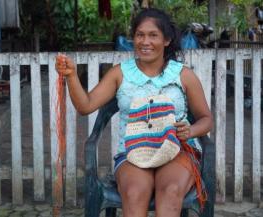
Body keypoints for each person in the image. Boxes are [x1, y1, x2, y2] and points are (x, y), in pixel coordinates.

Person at [55, 8, 213, 217]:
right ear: (133, 38)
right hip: (133, 153)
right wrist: (72, 76)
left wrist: (190, 131)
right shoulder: (120, 73)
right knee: (134, 192)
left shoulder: (183, 75)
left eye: (153, 35)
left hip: (178, 150)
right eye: (140, 35)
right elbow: (85, 106)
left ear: (166, 40)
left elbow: (206, 119)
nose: (145, 41)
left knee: (171, 191)